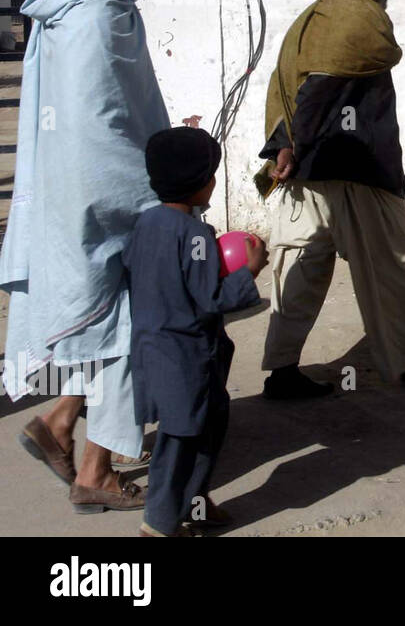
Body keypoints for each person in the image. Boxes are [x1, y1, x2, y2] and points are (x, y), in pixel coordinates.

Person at [0, 0, 169, 513]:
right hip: (106, 202)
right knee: (130, 324)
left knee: (107, 323)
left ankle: (60, 424)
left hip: (69, 200)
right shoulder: (102, 13)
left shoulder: (62, 4)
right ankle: (95, 472)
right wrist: (162, 193)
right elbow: (102, 128)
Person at [257, 0, 405, 399]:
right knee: (402, 263)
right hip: (353, 168)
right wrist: (297, 147)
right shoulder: (356, 22)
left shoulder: (317, 14)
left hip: (304, 173)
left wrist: (284, 148)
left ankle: (282, 371)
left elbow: (284, 84)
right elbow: (318, 91)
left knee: (299, 270)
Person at [124, 128, 266, 536]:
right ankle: (158, 524)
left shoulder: (146, 224)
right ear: (197, 181)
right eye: (212, 174)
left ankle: (195, 504)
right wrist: (249, 271)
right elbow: (212, 298)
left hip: (156, 351)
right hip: (184, 358)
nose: (215, 181)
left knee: (207, 428)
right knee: (180, 441)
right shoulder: (194, 235)